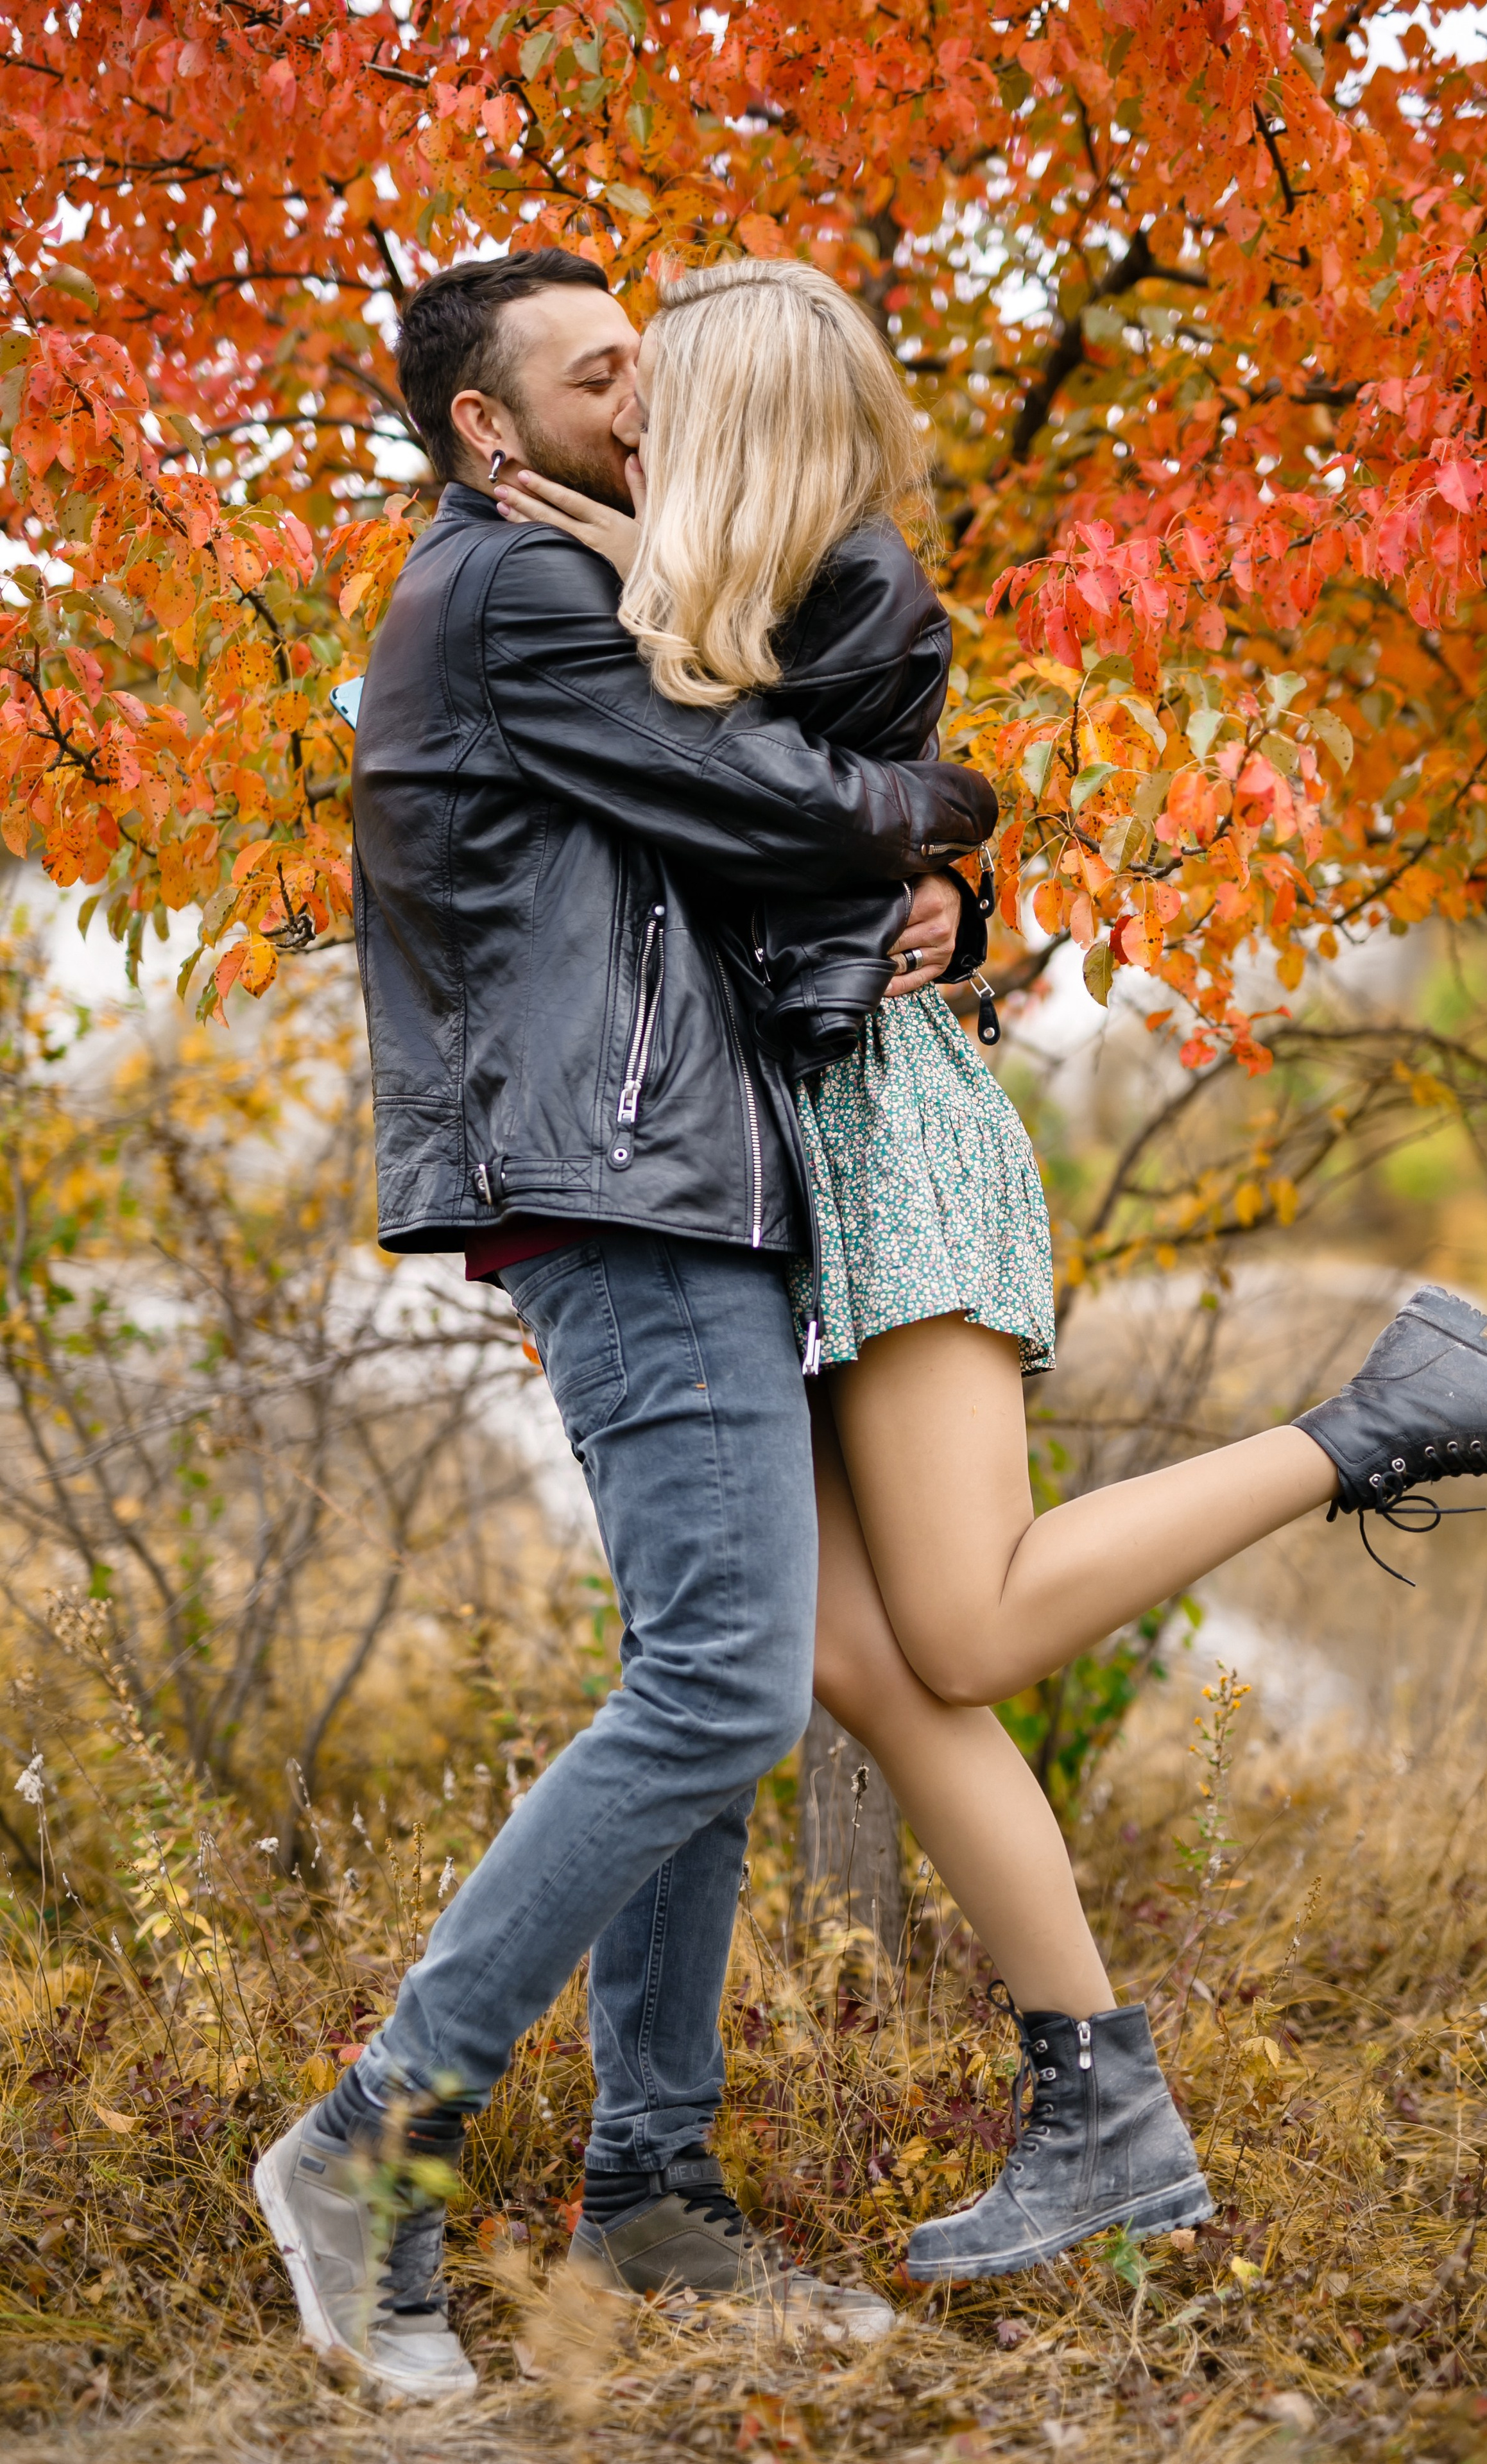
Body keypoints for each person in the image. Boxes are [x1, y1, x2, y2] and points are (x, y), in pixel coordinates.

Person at [494, 255, 1487, 2288]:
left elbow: (751, 788)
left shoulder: (847, 588)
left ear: (745, 416)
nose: (635, 428)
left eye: (666, 398)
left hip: (889, 1148)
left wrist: (936, 859)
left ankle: (1382, 1419)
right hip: (801, 1173)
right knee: (855, 1657)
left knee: (973, 1622)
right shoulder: (738, 604)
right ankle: (1101, 2115)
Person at [251, 246, 995, 2399]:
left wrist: (945, 880)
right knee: (719, 1684)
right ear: (491, 428)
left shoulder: (608, 589)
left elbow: (772, 838)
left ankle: (651, 2204)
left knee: (711, 1688)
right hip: (625, 1189)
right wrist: (949, 810)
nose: (650, 411)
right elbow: (772, 801)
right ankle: (367, 2140)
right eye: (605, 383)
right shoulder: (509, 595)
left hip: (680, 1182)